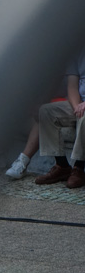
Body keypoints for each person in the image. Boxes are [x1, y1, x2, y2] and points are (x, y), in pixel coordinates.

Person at [34, 49, 85, 188]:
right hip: (80, 103)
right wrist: (76, 107)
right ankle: (62, 166)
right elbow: (72, 86)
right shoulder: (77, 51)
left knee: (84, 117)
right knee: (46, 111)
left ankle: (79, 168)